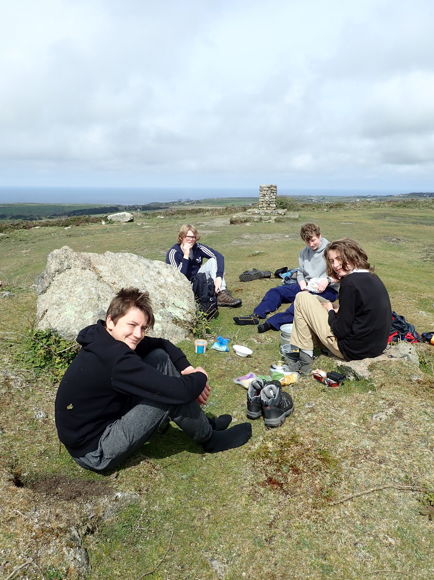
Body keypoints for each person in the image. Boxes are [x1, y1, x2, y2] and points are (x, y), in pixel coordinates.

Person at [55, 288, 252, 472]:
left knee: (158, 357)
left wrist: (187, 368)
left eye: (143, 328)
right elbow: (179, 392)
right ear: (111, 321)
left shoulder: (101, 337)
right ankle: (209, 439)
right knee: (166, 395)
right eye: (132, 325)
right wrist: (200, 375)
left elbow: (162, 344)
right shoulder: (115, 359)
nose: (138, 334)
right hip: (95, 450)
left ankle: (204, 424)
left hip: (100, 423)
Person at [282, 238, 392, 375]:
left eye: (339, 259)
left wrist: (330, 311)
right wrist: (336, 310)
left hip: (352, 350)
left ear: (352, 256)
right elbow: (361, 312)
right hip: (375, 347)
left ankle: (304, 359)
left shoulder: (350, 283)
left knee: (302, 297)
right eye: (331, 261)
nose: (335, 265)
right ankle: (304, 350)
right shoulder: (372, 277)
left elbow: (340, 331)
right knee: (314, 299)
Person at [233, 223, 338, 332]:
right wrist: (303, 286)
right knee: (275, 291)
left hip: (327, 289)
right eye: (307, 242)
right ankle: (256, 315)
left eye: (313, 240)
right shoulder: (303, 252)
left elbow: (342, 274)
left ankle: (273, 322)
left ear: (319, 235)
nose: (311, 244)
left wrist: (327, 281)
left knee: (300, 304)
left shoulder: (331, 251)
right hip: (307, 285)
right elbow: (300, 272)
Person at [166, 224, 242, 307]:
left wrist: (219, 277)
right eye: (189, 237)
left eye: (194, 237)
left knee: (213, 260)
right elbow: (178, 278)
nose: (191, 240)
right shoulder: (173, 253)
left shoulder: (198, 247)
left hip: (198, 280)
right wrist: (186, 255)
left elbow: (219, 256)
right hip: (184, 287)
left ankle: (221, 294)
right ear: (181, 237)